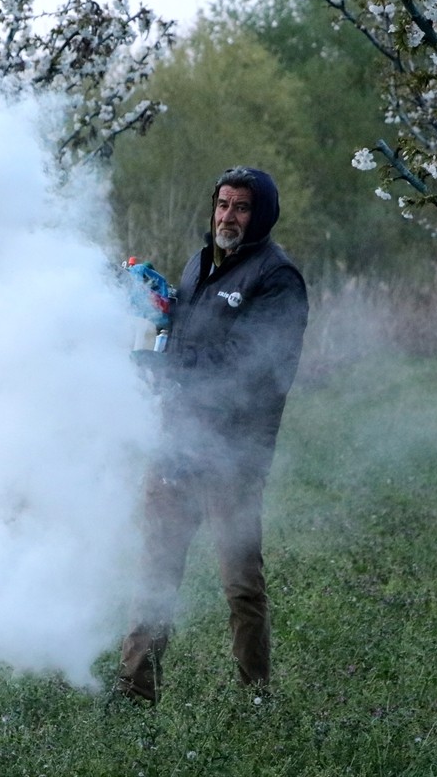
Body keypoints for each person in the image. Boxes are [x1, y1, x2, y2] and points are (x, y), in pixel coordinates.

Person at [117, 166, 308, 704]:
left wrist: (172, 365)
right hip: (178, 441)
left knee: (240, 585)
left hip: (234, 454)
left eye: (241, 207)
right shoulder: (200, 263)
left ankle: (255, 699)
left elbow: (255, 367)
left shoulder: (277, 278)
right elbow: (187, 336)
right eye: (223, 204)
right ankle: (134, 693)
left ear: (262, 215)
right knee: (155, 571)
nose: (228, 216)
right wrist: (159, 310)